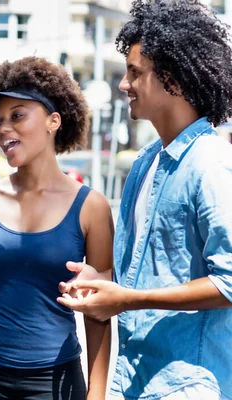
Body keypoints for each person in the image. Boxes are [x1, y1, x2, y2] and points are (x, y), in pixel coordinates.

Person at [57, 0, 232, 399]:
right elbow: (151, 274)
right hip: (135, 377)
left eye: (135, 72)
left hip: (191, 383)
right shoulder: (145, 162)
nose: (124, 84)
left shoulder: (213, 164)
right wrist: (104, 283)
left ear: (171, 80)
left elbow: (230, 281)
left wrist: (129, 299)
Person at [0, 56, 113, 400]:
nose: (3, 130)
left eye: (17, 116)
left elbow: (99, 311)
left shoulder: (92, 207)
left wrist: (97, 393)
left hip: (55, 380)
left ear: (53, 121)